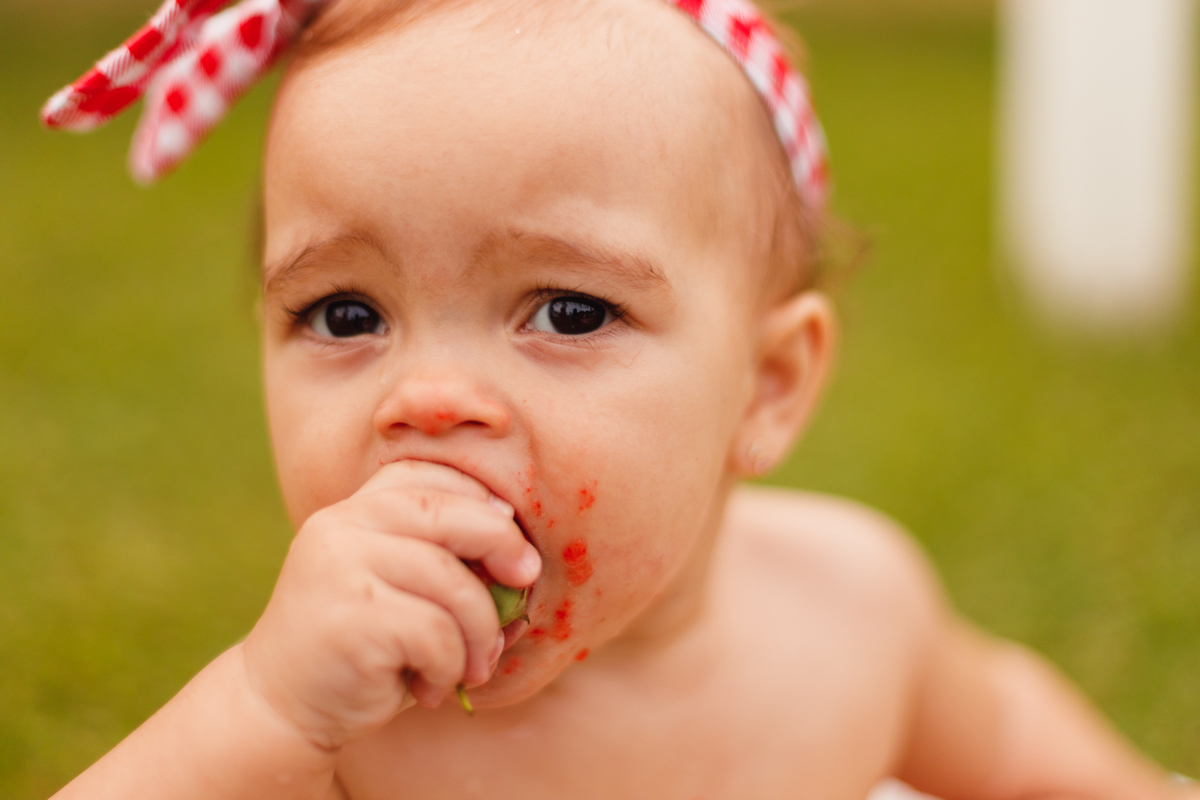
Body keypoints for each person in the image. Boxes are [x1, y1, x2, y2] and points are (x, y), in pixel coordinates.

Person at [41, 0, 1196, 797]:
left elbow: (1017, 742)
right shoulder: (338, 716)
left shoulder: (855, 607)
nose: (429, 398)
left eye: (568, 310)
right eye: (345, 314)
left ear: (768, 386)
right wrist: (264, 708)